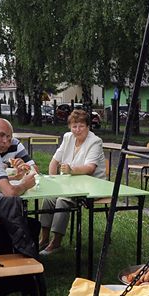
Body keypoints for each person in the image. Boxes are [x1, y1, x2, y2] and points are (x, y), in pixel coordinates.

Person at [38, 109, 104, 255]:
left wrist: (71, 169)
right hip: (68, 184)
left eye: (81, 126)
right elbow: (54, 162)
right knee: (49, 198)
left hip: (92, 186)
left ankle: (56, 243)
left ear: (88, 126)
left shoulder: (95, 141)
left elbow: (90, 168)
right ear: (69, 127)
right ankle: (44, 239)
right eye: (74, 126)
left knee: (63, 199)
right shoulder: (68, 137)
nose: (77, 129)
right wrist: (52, 181)